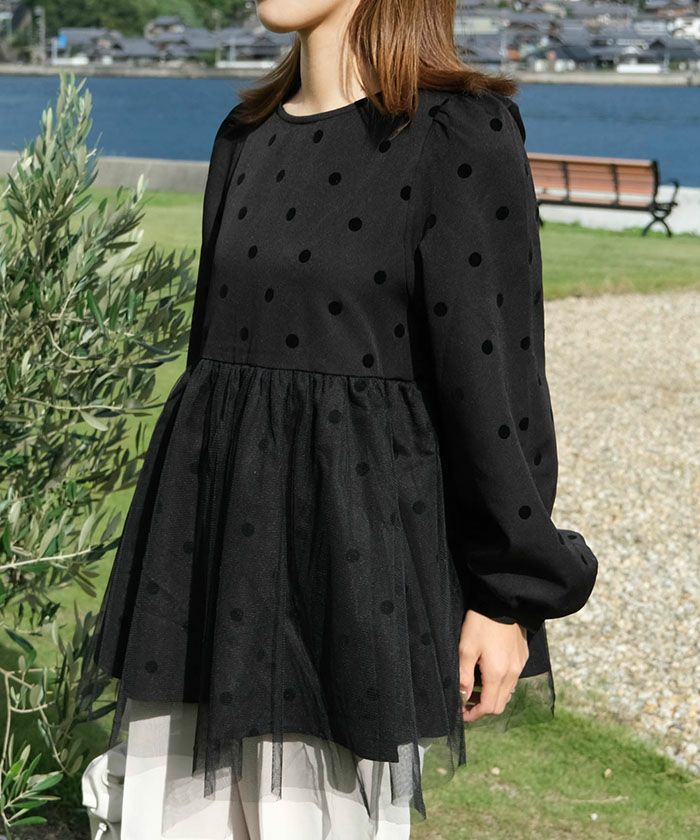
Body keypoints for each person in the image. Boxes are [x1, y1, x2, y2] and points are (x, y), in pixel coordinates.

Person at [76, 0, 599, 837]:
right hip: (203, 560)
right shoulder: (245, 135)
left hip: (348, 570)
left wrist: (508, 596)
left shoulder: (457, 134)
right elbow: (211, 374)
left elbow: (494, 383)